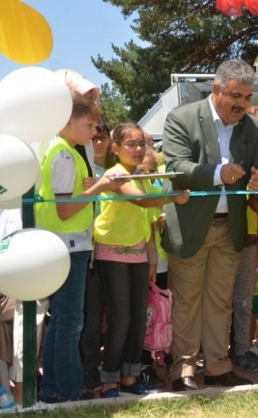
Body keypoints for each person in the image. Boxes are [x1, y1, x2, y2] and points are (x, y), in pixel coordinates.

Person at [161, 59, 258, 391]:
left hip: (230, 228)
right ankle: (185, 370)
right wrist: (218, 173)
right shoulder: (181, 118)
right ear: (217, 89)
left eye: (247, 97)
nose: (242, 104)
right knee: (188, 300)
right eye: (236, 95)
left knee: (220, 301)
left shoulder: (250, 127)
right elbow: (176, 167)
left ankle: (219, 367)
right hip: (192, 227)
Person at [36, 93, 121, 403]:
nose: (94, 131)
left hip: (67, 244)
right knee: (70, 321)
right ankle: (68, 391)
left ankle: (54, 389)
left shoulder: (64, 150)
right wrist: (99, 188)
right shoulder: (63, 154)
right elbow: (64, 210)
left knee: (63, 319)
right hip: (68, 244)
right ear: (68, 123)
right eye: (89, 124)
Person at [94, 122, 189, 398]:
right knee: (121, 318)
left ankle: (130, 377)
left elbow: (148, 219)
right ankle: (109, 380)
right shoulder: (116, 175)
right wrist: (175, 197)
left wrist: (150, 261)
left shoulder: (140, 176)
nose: (138, 149)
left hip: (137, 255)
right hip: (111, 254)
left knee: (137, 318)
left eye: (142, 144)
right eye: (131, 144)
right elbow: (145, 201)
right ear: (116, 148)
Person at [230, 105, 258, 372]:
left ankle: (242, 349)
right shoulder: (233, 159)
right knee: (223, 300)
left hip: (253, 237)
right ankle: (219, 350)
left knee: (245, 299)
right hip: (228, 233)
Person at [80, 120, 112, 391]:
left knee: (115, 314)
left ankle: (112, 365)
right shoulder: (85, 169)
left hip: (116, 249)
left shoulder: (118, 171)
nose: (99, 142)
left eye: (104, 137)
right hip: (89, 250)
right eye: (95, 138)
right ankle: (89, 367)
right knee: (91, 316)